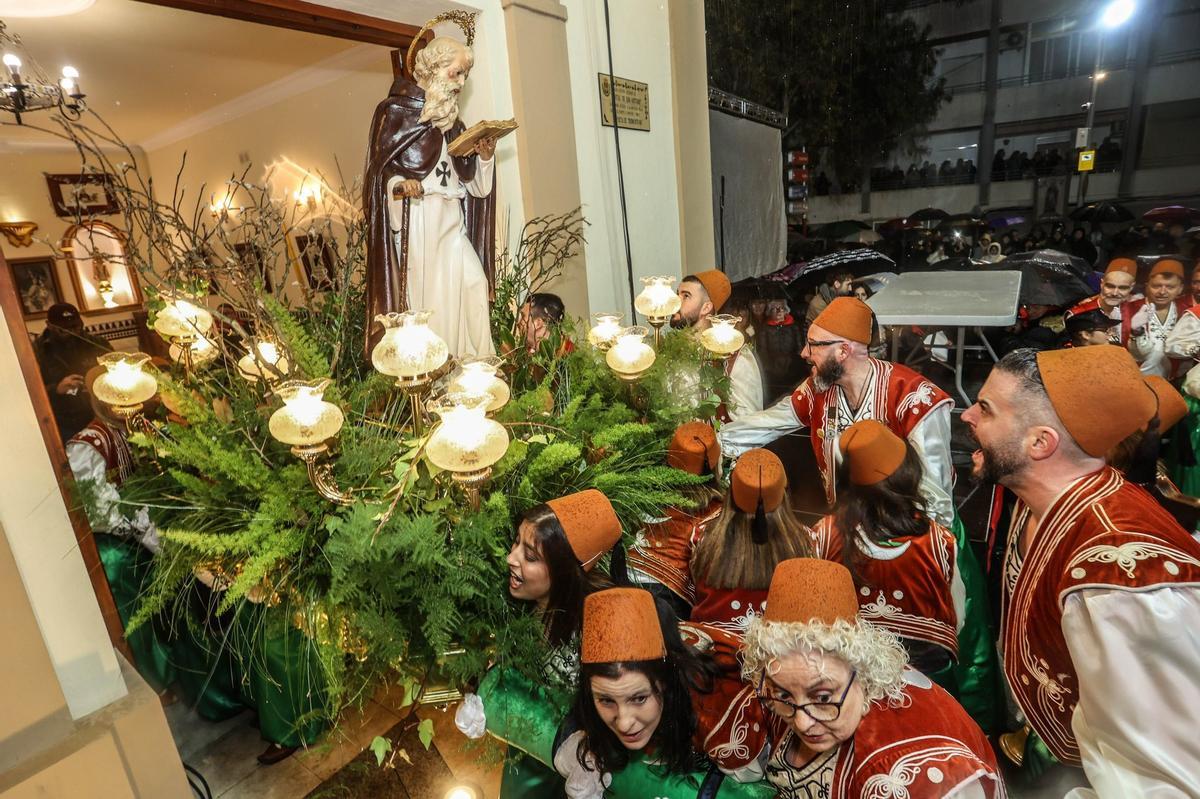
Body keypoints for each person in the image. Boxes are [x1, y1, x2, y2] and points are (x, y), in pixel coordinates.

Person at [961, 345, 1200, 793]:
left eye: (986, 409)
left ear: (1040, 442)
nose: (967, 415)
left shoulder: (1120, 580)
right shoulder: (1039, 501)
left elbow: (1162, 776)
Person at [744, 558, 1004, 798]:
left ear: (863, 672)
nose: (802, 723)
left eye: (822, 698)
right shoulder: (796, 687)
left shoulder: (905, 773)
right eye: (784, 695)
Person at [719, 297, 954, 526]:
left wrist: (908, 546)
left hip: (904, 536)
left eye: (813, 344)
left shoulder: (914, 398)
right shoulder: (818, 389)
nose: (804, 353)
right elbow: (765, 424)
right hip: (846, 528)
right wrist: (712, 444)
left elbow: (936, 503)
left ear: (843, 351)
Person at [364, 28, 499, 358]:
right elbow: (379, 174)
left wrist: (484, 157)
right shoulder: (394, 113)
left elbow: (476, 188)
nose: (461, 82)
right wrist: (400, 185)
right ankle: (441, 370)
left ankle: (479, 364)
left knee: (474, 284)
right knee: (434, 305)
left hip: (453, 222)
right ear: (435, 68)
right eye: (456, 73)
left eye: (465, 75)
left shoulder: (454, 124)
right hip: (419, 221)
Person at [686, 448, 814, 778]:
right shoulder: (808, 543)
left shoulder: (701, 535)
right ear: (784, 493)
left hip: (710, 669)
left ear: (730, 493)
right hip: (772, 675)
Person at [812, 420, 965, 688]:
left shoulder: (824, 535)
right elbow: (959, 618)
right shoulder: (940, 542)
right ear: (909, 474)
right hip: (925, 685)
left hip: (846, 680)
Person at [497, 488, 623, 797]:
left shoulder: (597, 630)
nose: (511, 559)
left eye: (530, 556)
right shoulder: (513, 606)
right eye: (516, 542)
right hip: (530, 741)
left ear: (564, 571)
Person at [554, 587, 718, 798]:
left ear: (665, 682)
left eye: (639, 698)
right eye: (606, 700)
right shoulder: (588, 715)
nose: (624, 723)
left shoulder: (709, 709)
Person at [627, 422, 723, 619]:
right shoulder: (714, 509)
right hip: (667, 592)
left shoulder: (643, 485)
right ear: (714, 468)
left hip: (622, 574)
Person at [672, 269, 763, 420]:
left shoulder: (735, 356)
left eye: (686, 296)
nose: (675, 301)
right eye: (677, 294)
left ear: (706, 308)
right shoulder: (671, 350)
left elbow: (748, 424)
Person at [33, 302, 113, 442]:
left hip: (100, 414)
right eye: (64, 330)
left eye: (76, 327)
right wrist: (57, 388)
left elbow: (117, 371)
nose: (72, 332)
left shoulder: (97, 343)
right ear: (49, 325)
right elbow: (30, 392)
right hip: (63, 421)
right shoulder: (37, 351)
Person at [1125, 258, 1190, 377]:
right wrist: (1137, 330)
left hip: (1173, 381)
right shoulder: (1129, 309)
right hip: (1134, 379)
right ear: (1147, 286)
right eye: (1156, 286)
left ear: (1180, 289)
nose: (1162, 292)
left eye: (1170, 287)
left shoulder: (1186, 313)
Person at [1064, 258, 1138, 342]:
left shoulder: (1131, 313)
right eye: (1110, 286)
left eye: (1123, 288)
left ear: (1131, 288)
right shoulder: (1079, 313)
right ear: (1101, 284)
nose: (1115, 293)